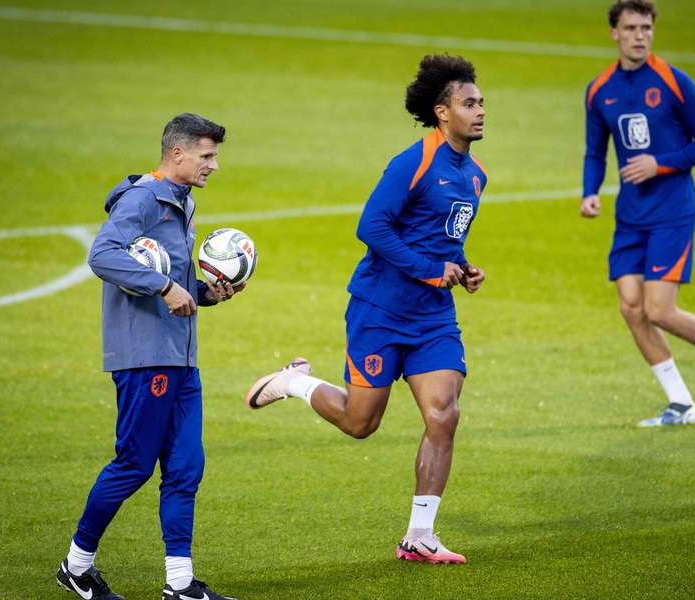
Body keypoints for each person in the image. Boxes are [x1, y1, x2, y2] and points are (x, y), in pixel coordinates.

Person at [244, 54, 487, 564]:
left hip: (433, 318)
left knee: (443, 416)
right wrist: (427, 268)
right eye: (469, 103)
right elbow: (371, 228)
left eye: (481, 102)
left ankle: (419, 536)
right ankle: (295, 382)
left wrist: (462, 268)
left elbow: (445, 237)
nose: (480, 110)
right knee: (361, 423)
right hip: (379, 310)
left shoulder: (476, 175)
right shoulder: (412, 162)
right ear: (443, 112)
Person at [56, 113, 240, 600]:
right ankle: (77, 566)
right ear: (176, 154)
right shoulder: (141, 200)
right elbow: (103, 255)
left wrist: (205, 292)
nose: (214, 165)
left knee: (185, 467)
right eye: (207, 155)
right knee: (134, 464)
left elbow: (174, 280)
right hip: (143, 357)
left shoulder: (183, 202)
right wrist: (164, 285)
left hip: (180, 357)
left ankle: (179, 583)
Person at [581, 0, 695, 426]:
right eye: (630, 28)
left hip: (671, 211)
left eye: (646, 27)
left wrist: (659, 163)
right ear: (614, 33)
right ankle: (681, 404)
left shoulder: (674, 81)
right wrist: (590, 192)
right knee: (631, 308)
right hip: (630, 215)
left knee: (659, 310)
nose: (639, 35)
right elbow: (595, 150)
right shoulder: (599, 89)